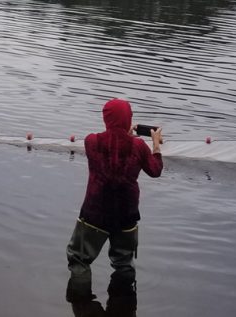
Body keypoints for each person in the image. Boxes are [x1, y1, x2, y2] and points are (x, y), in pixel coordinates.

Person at [66, 98, 163, 304]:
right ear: (128, 119)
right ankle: (123, 306)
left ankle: (82, 306)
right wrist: (155, 145)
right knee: (124, 264)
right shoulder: (138, 146)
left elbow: (112, 143)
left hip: (94, 213)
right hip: (126, 215)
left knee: (80, 260)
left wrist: (123, 132)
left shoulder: (91, 141)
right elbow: (155, 171)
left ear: (105, 118)